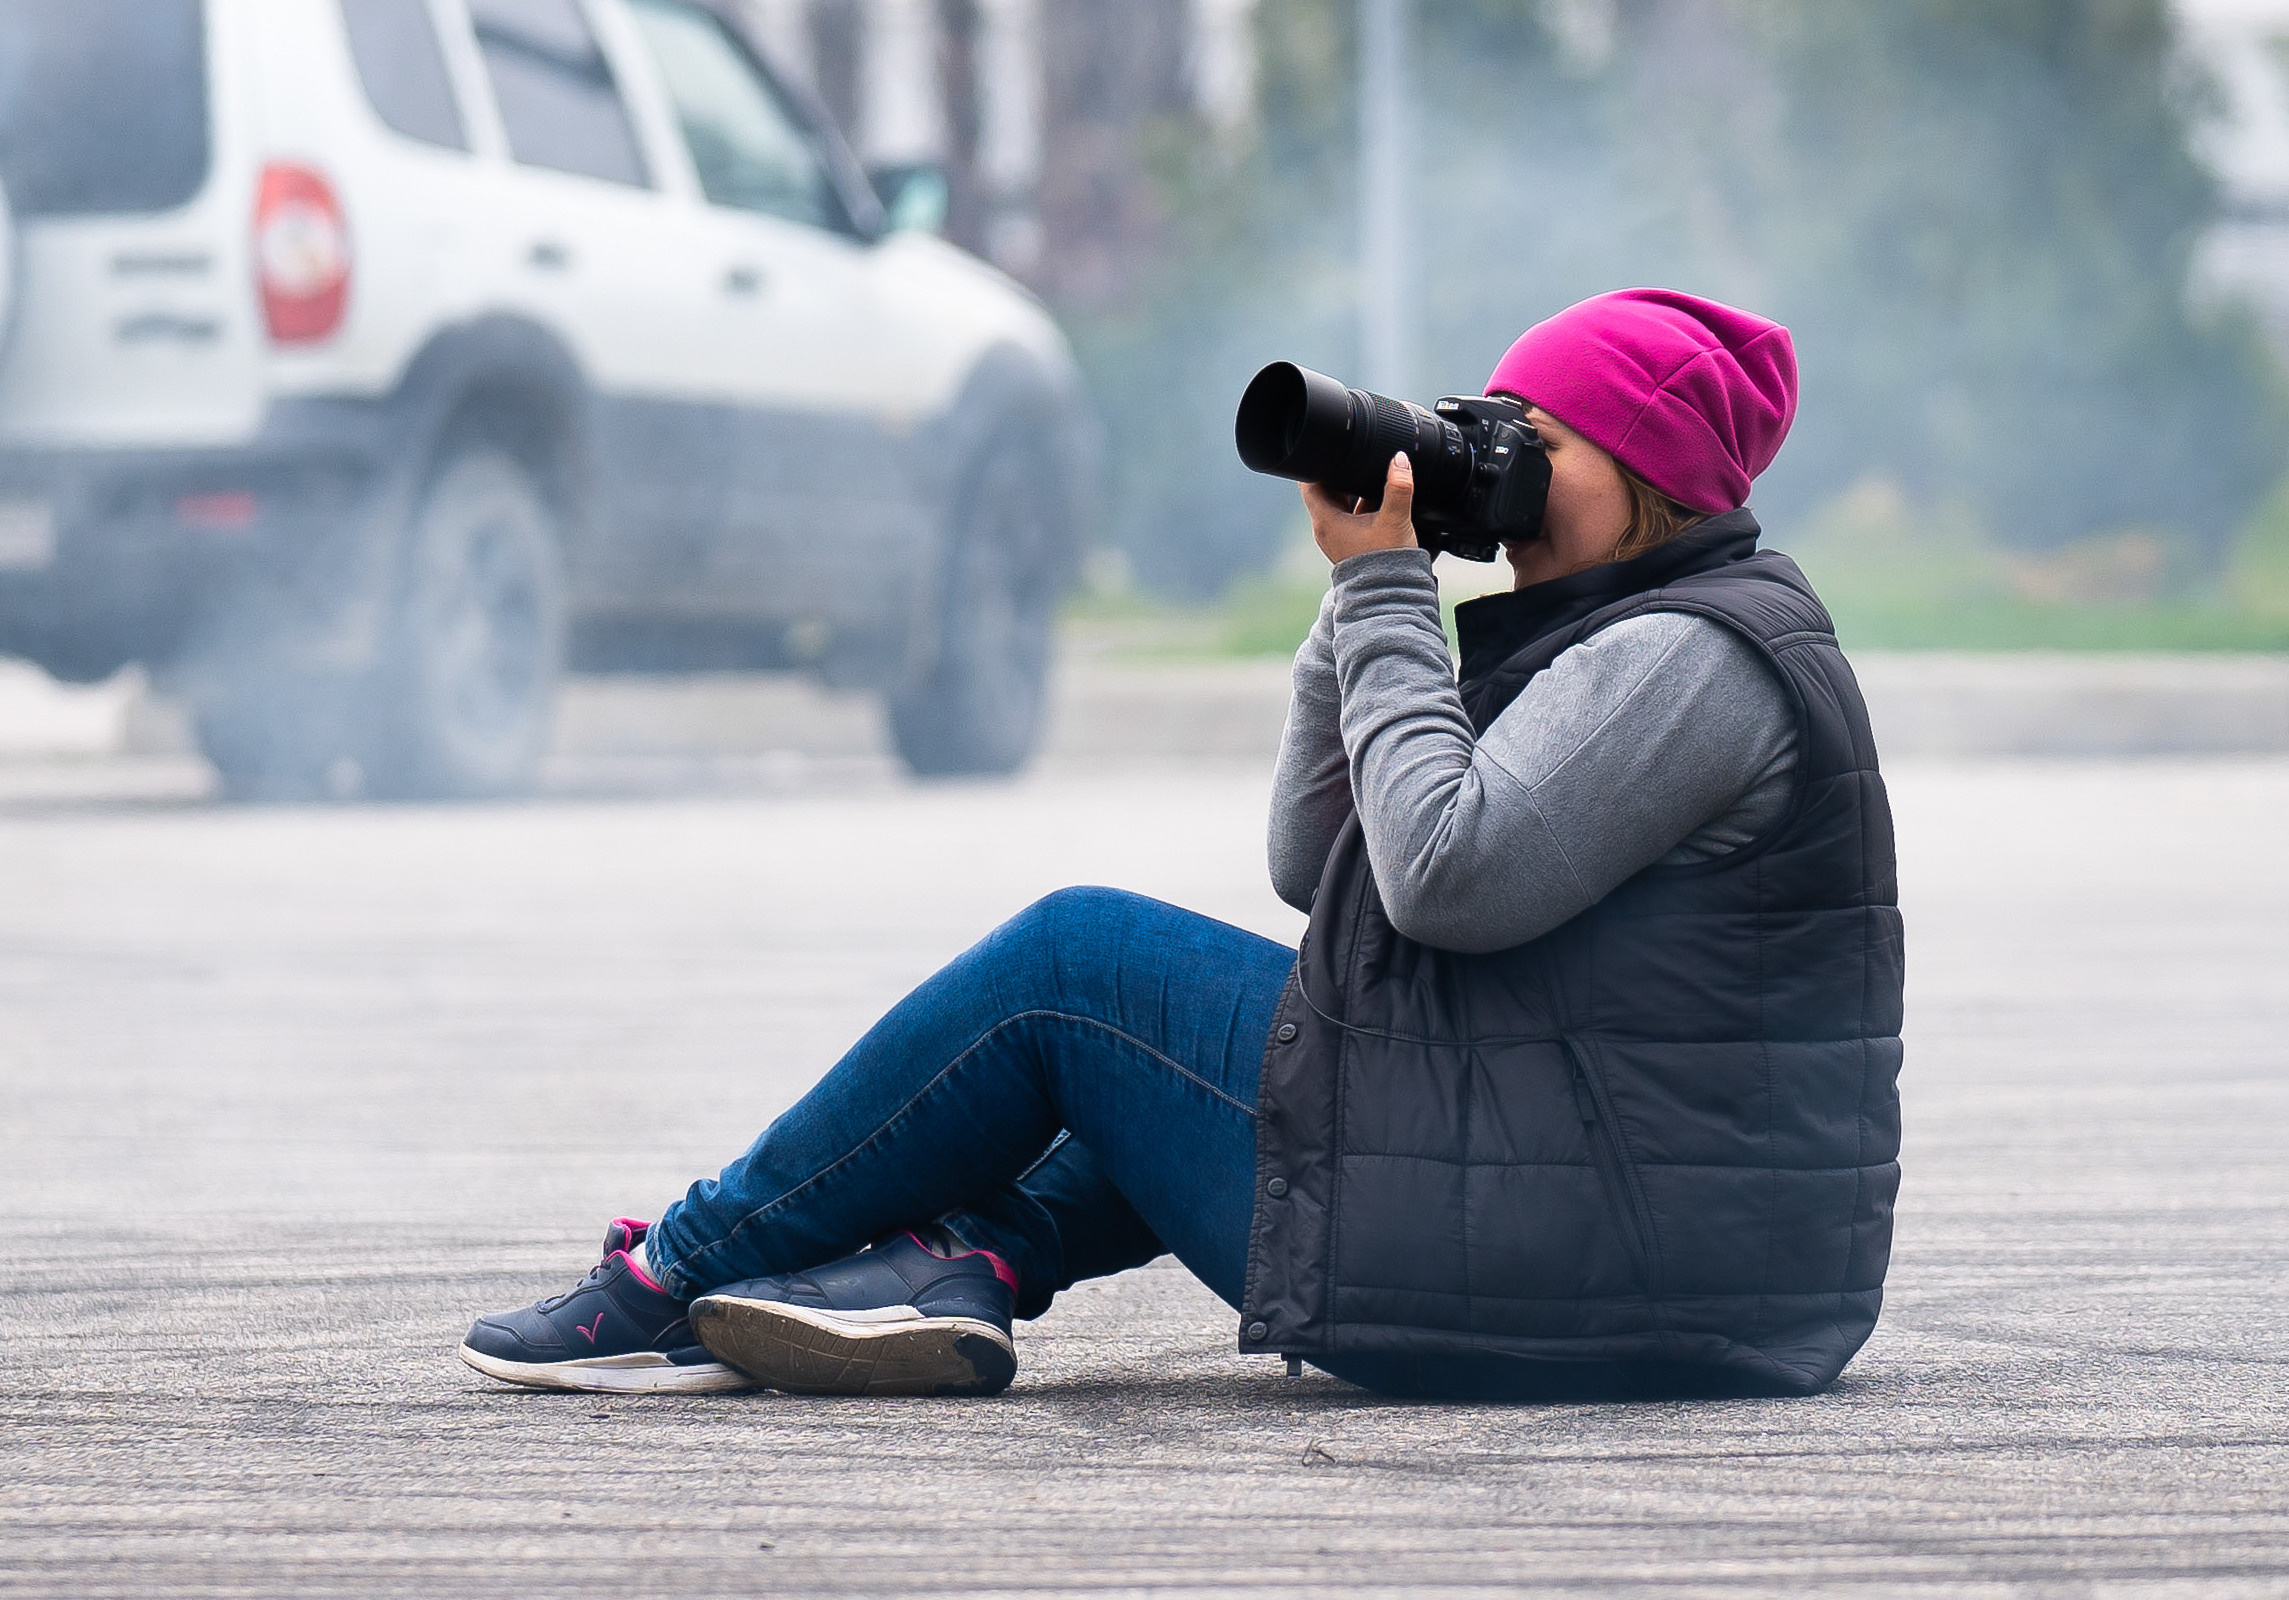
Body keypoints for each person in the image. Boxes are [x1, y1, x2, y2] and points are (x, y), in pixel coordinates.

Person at [460, 288, 1904, 1401]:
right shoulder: (1623, 634)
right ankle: (968, 1266)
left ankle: (678, 1269)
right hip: (1618, 1241)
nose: (1500, 465)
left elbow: (1444, 879)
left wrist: (1393, 593)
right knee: (1275, 1029)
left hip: (1607, 1266)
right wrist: (1355, 609)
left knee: (1075, 961)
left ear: (1650, 471)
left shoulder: (1685, 660)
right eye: (1491, 426)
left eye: (1537, 442)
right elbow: (1318, 867)